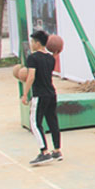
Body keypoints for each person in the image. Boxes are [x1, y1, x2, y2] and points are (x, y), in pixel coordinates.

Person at [22, 30, 62, 165]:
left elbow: (31, 76)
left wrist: (25, 94)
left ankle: (44, 152)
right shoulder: (51, 58)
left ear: (38, 43)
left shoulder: (32, 58)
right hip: (51, 93)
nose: (31, 44)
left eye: (32, 42)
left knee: (35, 123)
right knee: (52, 121)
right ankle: (57, 150)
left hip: (40, 94)